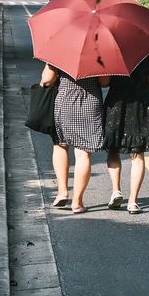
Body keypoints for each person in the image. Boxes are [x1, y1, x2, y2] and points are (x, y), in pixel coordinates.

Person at [39, 63, 106, 213]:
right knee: (83, 154)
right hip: (90, 103)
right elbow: (104, 81)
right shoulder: (99, 52)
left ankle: (62, 191)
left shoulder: (59, 50)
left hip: (65, 101)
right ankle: (77, 202)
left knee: (60, 145)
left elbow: (47, 80)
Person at [103, 52, 149, 213]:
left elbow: (105, 82)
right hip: (140, 104)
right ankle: (133, 201)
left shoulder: (112, 51)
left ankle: (116, 190)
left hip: (116, 104)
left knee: (114, 150)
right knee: (138, 154)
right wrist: (148, 104)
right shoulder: (145, 52)